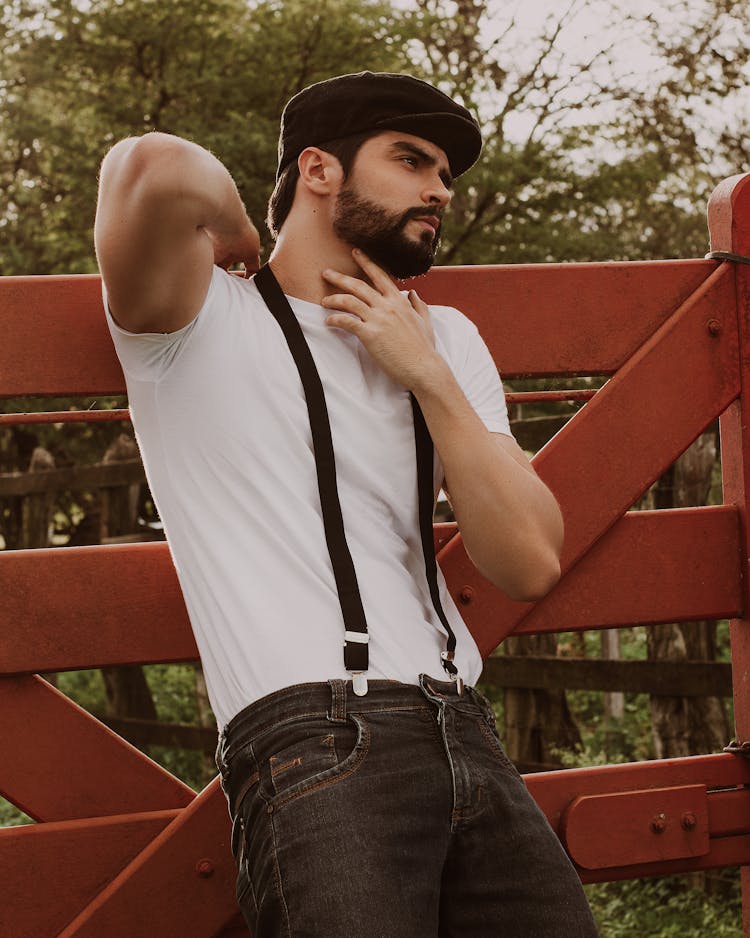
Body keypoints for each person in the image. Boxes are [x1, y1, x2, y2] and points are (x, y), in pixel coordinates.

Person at [95, 71, 598, 937]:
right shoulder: (197, 320)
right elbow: (151, 167)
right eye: (411, 160)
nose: (439, 188)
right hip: (312, 737)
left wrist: (429, 376)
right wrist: (247, 235)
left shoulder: (447, 340)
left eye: (445, 172)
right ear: (319, 170)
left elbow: (529, 559)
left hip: (463, 726)